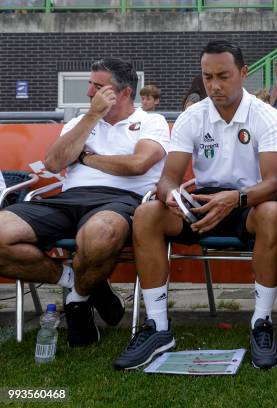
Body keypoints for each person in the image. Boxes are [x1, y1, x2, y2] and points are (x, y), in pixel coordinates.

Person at [114, 40, 277, 371]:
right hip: (205, 200)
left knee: (271, 213)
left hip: (249, 201)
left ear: (244, 72)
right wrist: (172, 196)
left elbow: (271, 183)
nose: (214, 85)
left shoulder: (265, 115)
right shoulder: (192, 116)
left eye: (223, 76)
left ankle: (262, 322)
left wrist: (235, 199)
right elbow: (168, 179)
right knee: (148, 212)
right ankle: (158, 326)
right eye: (207, 77)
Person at [0, 58, 169, 347]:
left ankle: (77, 301)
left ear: (124, 93)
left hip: (121, 200)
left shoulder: (151, 121)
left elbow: (138, 164)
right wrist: (92, 117)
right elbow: (54, 163)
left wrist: (87, 159)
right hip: (68, 199)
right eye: (90, 85)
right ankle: (80, 284)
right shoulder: (81, 122)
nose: (90, 93)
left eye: (98, 87)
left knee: (99, 235)